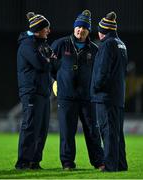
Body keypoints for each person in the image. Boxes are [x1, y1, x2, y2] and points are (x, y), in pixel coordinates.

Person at [51, 10, 104, 170]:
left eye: (84, 28)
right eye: (78, 27)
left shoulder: (95, 50)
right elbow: (50, 67)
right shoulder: (61, 44)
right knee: (67, 133)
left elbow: (98, 72)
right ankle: (67, 163)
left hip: (88, 98)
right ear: (74, 28)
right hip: (66, 97)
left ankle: (99, 162)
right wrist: (59, 81)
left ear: (88, 31)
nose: (80, 31)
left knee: (93, 132)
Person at [15, 12, 55, 170]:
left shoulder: (41, 43)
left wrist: (49, 60)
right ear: (38, 29)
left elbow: (52, 61)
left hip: (44, 93)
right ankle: (23, 162)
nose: (49, 31)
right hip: (31, 92)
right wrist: (49, 60)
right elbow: (42, 65)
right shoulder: (27, 44)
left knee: (42, 129)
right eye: (46, 28)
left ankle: (34, 162)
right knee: (31, 127)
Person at [90, 11, 128, 172]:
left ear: (103, 31)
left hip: (105, 96)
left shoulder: (106, 44)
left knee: (108, 132)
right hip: (118, 96)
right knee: (117, 132)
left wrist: (95, 87)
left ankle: (111, 165)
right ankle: (120, 163)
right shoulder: (121, 43)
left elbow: (102, 71)